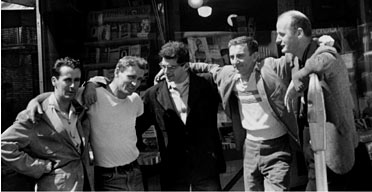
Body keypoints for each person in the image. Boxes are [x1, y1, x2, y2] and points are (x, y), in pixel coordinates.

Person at [86, 41, 226, 191]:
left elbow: (229, 71)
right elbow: (134, 128)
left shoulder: (208, 84)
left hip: (206, 168)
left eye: (171, 67)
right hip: (174, 172)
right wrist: (91, 83)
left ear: (186, 66)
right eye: (163, 66)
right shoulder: (153, 94)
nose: (166, 72)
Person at [186, 36, 300, 191]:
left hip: (277, 147)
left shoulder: (270, 67)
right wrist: (176, 69)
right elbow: (208, 68)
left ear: (255, 56)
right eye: (232, 56)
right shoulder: (229, 74)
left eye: (240, 56)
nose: (235, 61)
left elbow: (295, 58)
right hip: (250, 147)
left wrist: (321, 44)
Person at [276, 10, 369, 191]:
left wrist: (297, 83)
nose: (278, 40)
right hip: (313, 149)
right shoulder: (295, 59)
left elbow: (324, 61)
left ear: (299, 33)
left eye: (282, 34)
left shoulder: (325, 53)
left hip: (333, 151)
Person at [26, 56, 147, 191]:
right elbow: (58, 95)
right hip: (109, 177)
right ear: (117, 71)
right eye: (131, 77)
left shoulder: (135, 100)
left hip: (135, 172)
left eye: (140, 79)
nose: (135, 83)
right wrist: (35, 101)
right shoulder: (93, 95)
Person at [1, 57, 94, 191]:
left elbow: (101, 82)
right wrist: (41, 167)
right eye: (67, 80)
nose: (73, 86)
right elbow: (3, 145)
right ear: (54, 81)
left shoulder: (79, 111)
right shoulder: (36, 114)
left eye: (77, 80)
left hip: (83, 184)